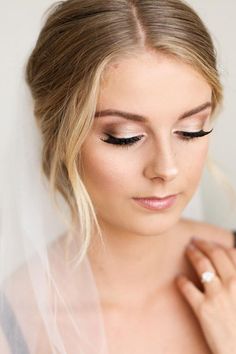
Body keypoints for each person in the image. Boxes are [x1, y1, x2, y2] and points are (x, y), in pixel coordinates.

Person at [1, 0, 236, 353]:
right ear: (57, 135)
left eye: (191, 130)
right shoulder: (17, 324)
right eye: (124, 136)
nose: (166, 168)